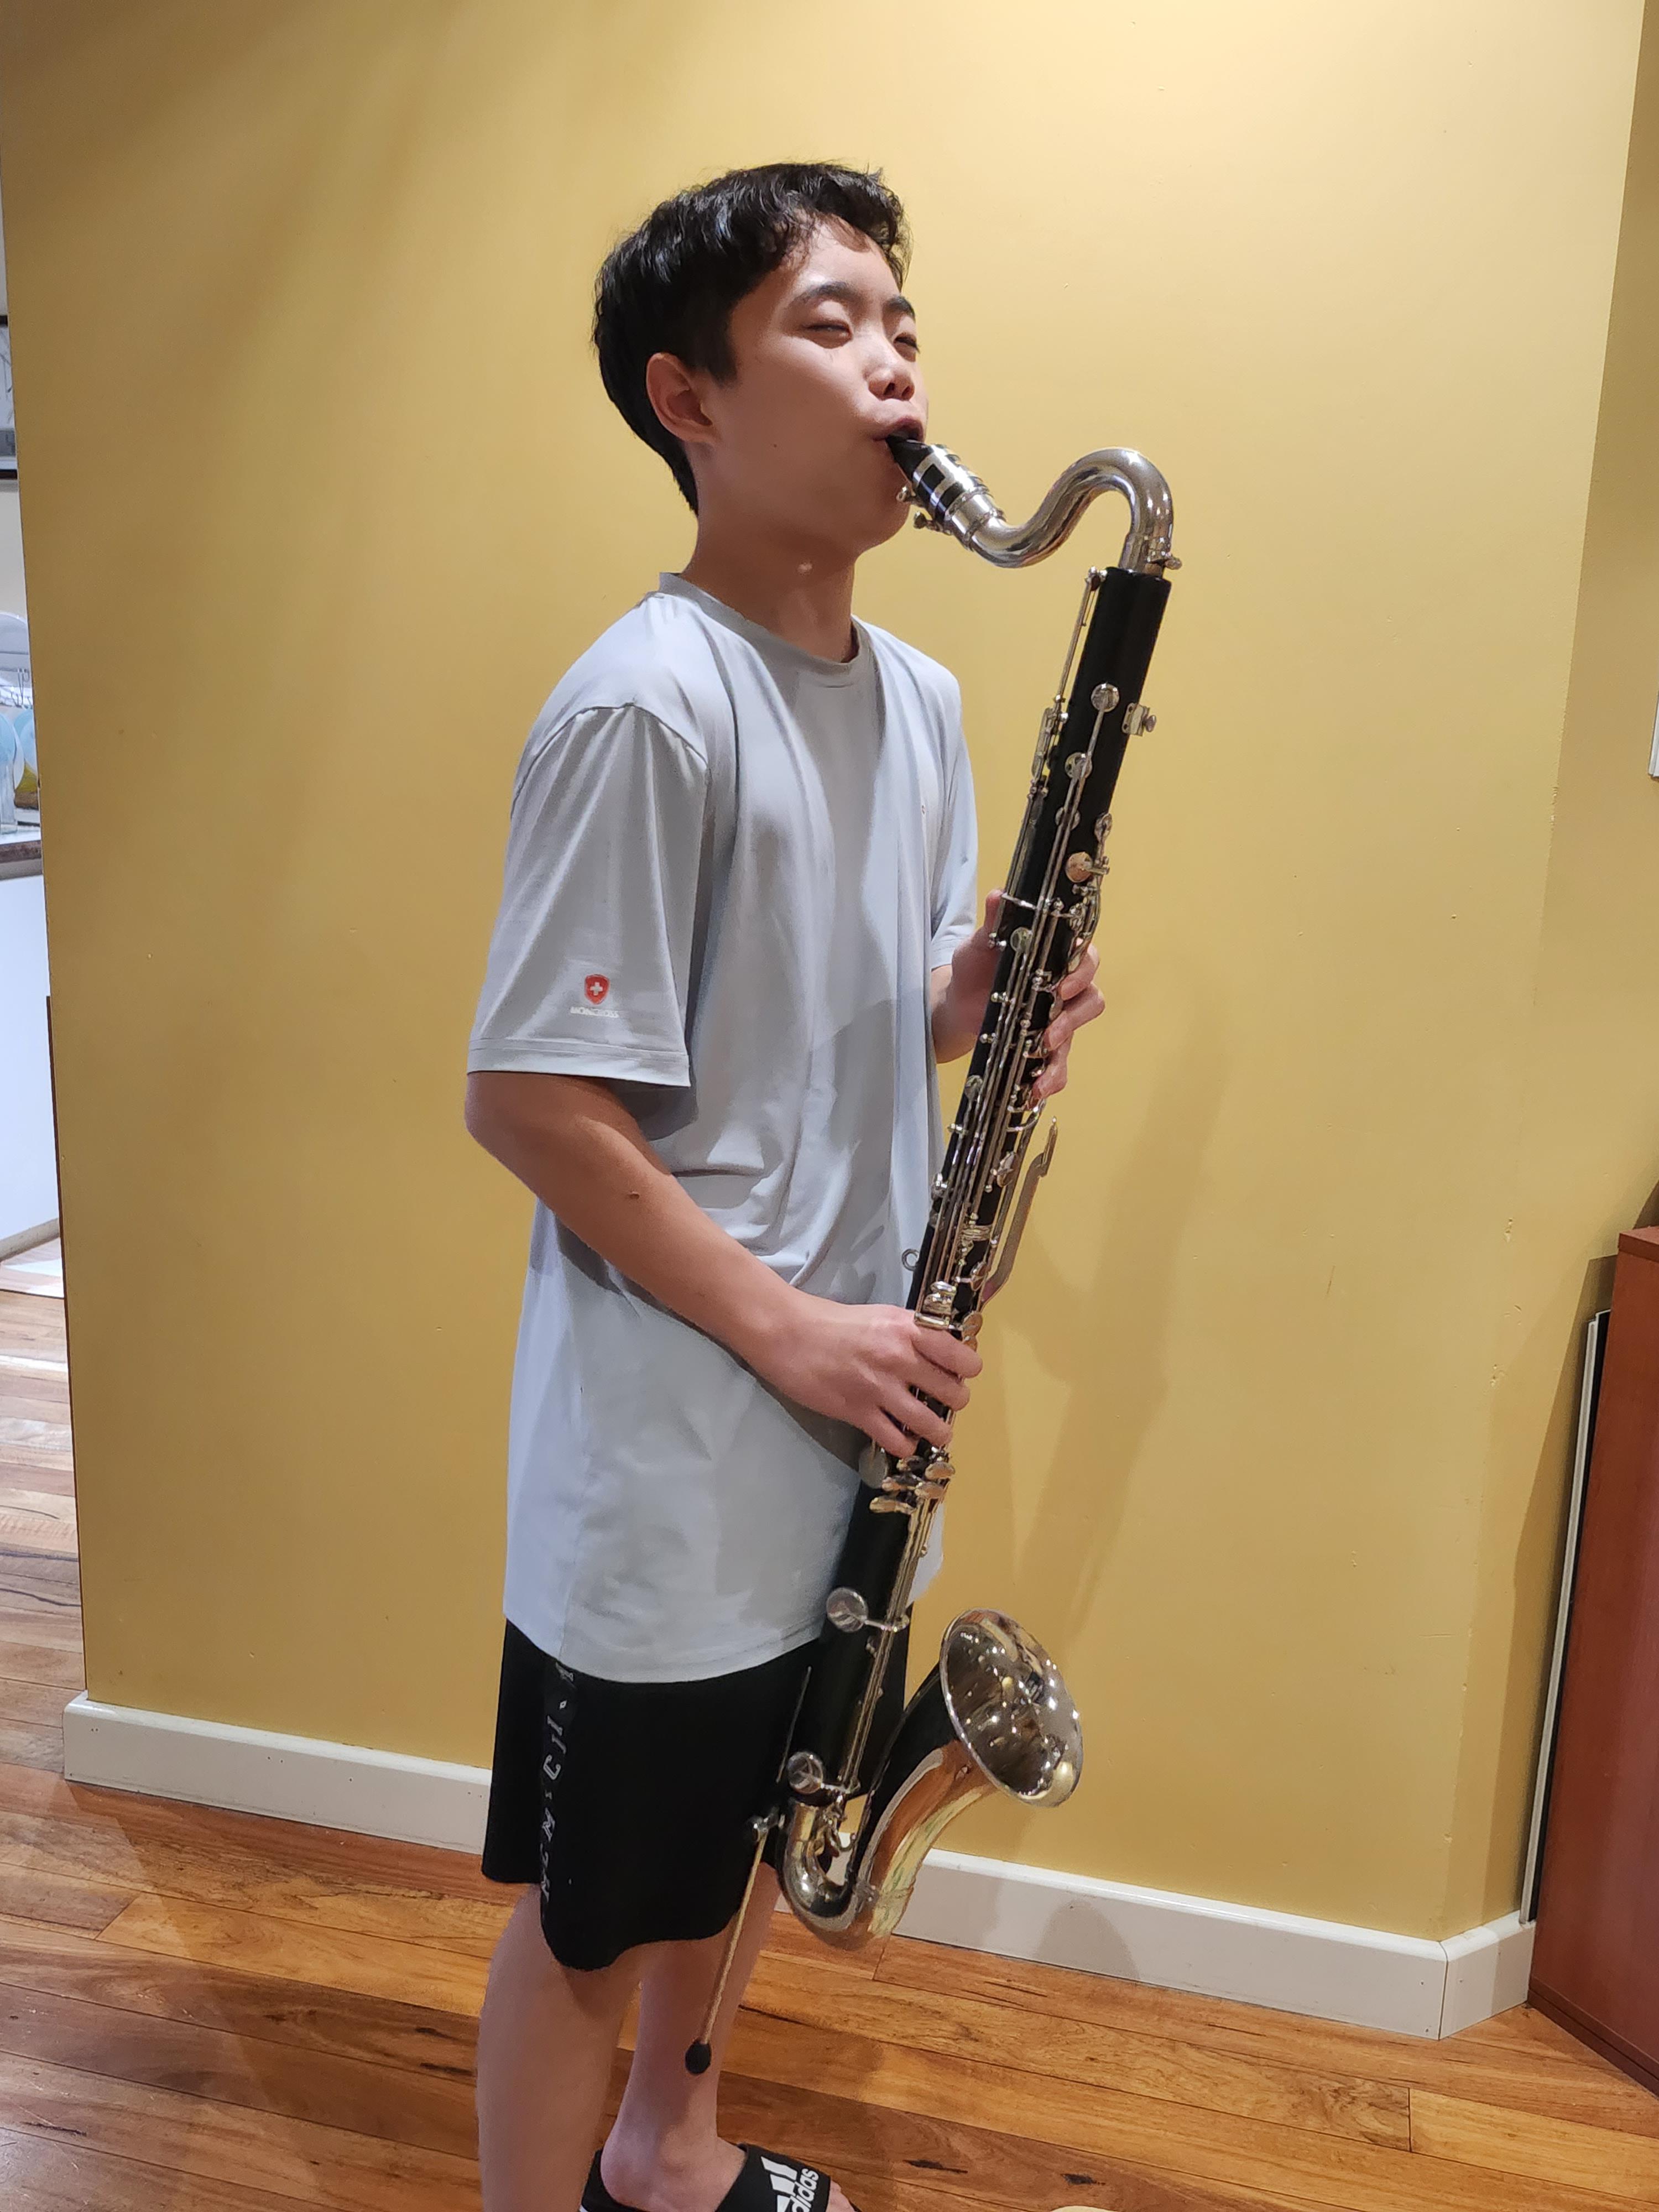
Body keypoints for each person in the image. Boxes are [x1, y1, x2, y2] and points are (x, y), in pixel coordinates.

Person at [465, 161, 1104, 2212]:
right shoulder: (647, 706)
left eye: (903, 322)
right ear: (692, 403)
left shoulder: (919, 699)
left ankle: (672, 2151)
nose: (896, 363)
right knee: (595, 1913)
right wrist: (799, 1335)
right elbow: (533, 1101)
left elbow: (853, 1008)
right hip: (685, 1446)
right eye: (830, 324)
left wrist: (973, 1001)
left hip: (859, 1398)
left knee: (767, 1821)